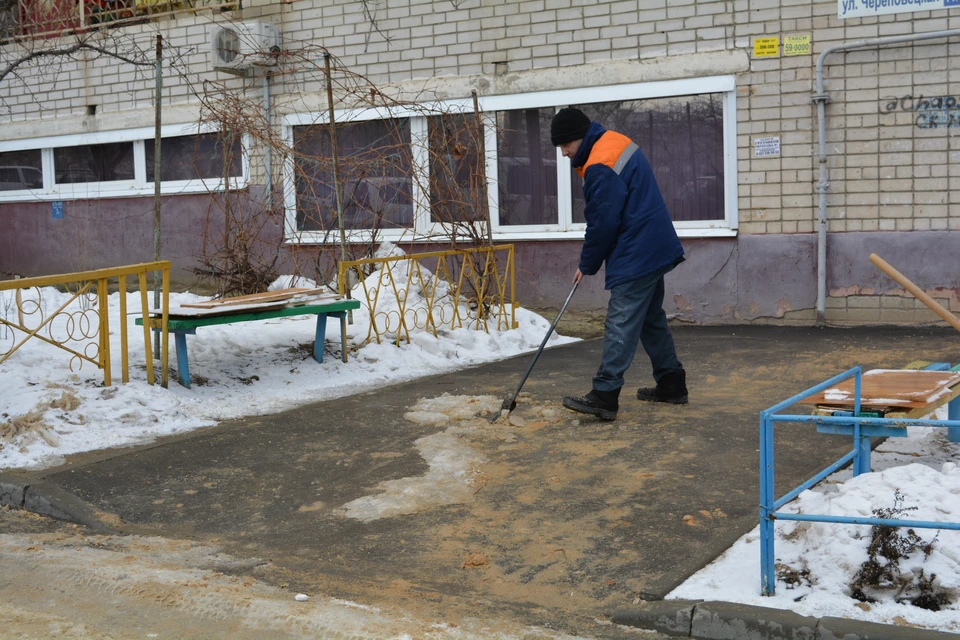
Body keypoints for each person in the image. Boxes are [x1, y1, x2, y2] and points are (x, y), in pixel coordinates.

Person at [552, 107, 688, 421]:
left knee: (621, 321)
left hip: (638, 250)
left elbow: (603, 222)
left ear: (577, 137)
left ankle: (605, 394)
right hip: (654, 244)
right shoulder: (611, 142)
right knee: (650, 319)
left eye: (564, 145)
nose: (563, 153)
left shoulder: (600, 163)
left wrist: (587, 263)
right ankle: (671, 383)